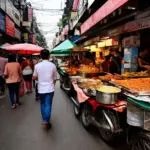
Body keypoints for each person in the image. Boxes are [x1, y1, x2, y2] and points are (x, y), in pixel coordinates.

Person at [33, 50, 57, 128]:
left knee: (42, 103)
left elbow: (34, 77)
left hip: (41, 89)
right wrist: (52, 85)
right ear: (48, 56)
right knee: (48, 104)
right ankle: (46, 120)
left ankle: (44, 119)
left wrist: (40, 77)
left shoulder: (37, 66)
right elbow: (55, 79)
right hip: (50, 89)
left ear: (40, 56)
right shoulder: (53, 65)